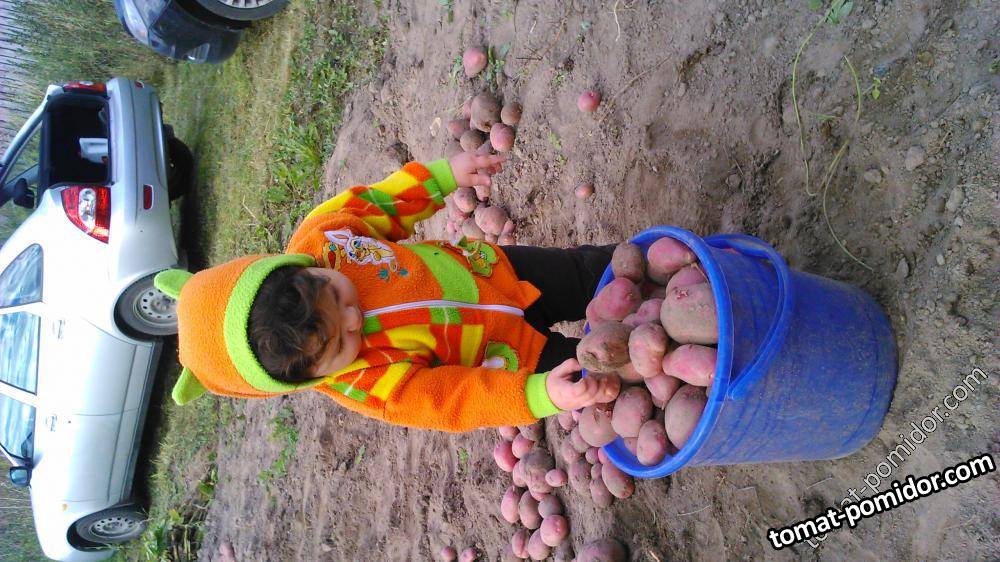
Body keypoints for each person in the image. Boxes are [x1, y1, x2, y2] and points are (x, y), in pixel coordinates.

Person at [154, 152, 620, 431]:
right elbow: (449, 402)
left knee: (592, 273)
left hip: (496, 272)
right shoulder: (366, 386)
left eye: (335, 295)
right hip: (507, 358)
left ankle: (649, 264)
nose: (352, 318)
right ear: (310, 378)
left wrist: (441, 177)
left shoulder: (326, 238)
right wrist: (537, 396)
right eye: (339, 341)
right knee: (604, 369)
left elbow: (379, 204)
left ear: (296, 268)